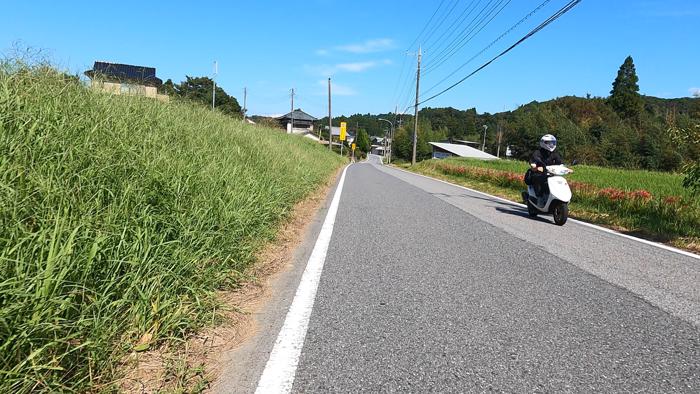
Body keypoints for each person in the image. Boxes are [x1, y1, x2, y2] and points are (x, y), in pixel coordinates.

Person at [529, 134, 563, 199]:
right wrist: (535, 167)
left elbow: (560, 163)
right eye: (549, 143)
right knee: (540, 180)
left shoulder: (554, 153)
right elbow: (533, 161)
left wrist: (565, 168)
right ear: (543, 143)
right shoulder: (538, 152)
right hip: (539, 173)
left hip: (551, 174)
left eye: (553, 143)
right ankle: (539, 197)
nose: (551, 145)